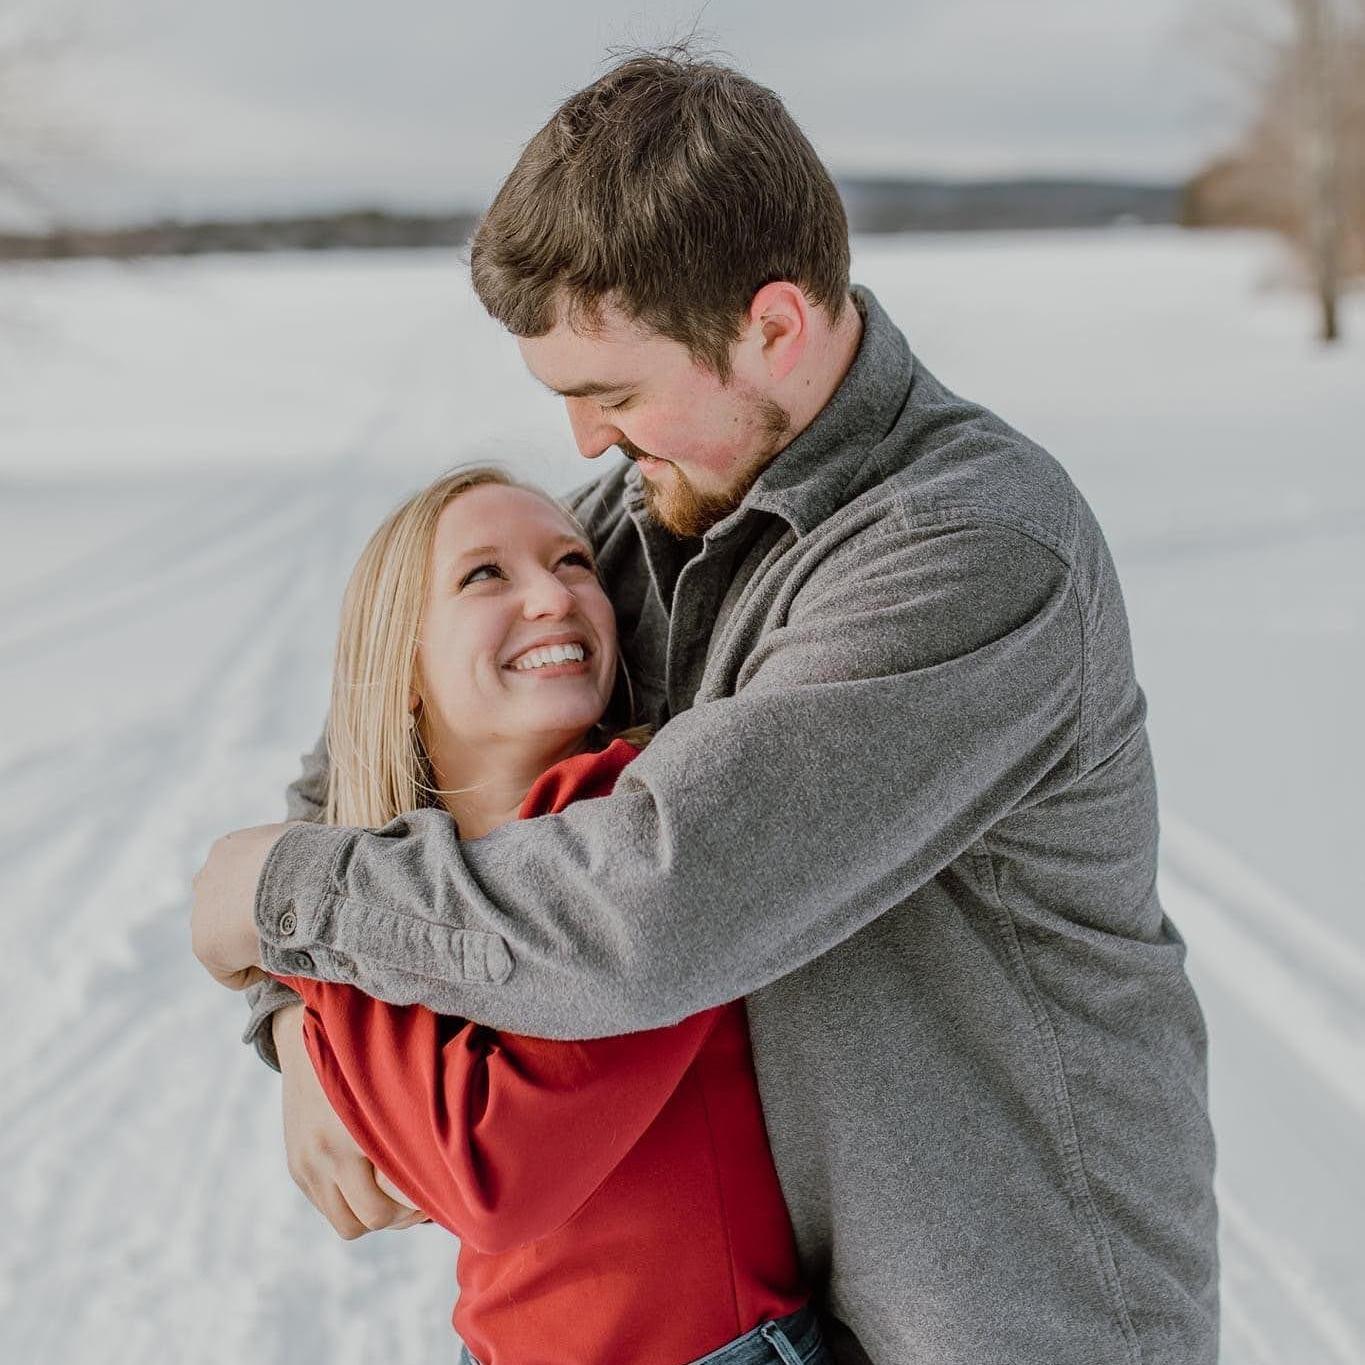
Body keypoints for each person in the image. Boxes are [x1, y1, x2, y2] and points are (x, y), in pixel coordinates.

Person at [191, 50, 1220, 1365]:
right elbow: (378, 747)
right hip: (766, 1315)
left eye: (609, 393)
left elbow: (653, 907)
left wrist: (286, 903)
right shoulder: (641, 511)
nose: (582, 446)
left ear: (774, 326)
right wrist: (295, 1016)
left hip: (1003, 1315)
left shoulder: (968, 548)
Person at [267, 464, 830, 1365]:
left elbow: (487, 1174)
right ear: (402, 665)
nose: (553, 595)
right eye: (484, 574)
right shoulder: (414, 873)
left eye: (573, 562)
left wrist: (297, 919)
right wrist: (303, 992)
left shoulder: (629, 826)